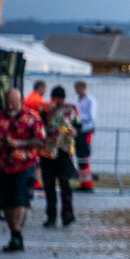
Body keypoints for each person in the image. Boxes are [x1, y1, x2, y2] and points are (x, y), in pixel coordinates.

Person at [0, 89, 45, 252]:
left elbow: (41, 142)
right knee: (7, 202)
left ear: (21, 101)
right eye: (8, 102)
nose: (10, 106)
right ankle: (15, 235)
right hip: (2, 165)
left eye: (14, 103)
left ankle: (16, 235)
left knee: (19, 199)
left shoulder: (32, 118)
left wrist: (19, 144)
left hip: (24, 164)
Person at [40, 86, 81, 227]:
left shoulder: (71, 109)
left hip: (64, 150)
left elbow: (78, 125)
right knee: (49, 185)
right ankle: (51, 216)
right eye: (56, 99)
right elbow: (39, 123)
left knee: (65, 183)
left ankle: (67, 214)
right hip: (48, 151)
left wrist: (75, 131)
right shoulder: (45, 109)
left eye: (60, 99)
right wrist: (48, 111)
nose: (58, 101)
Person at [74, 80, 97, 191]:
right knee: (80, 156)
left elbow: (91, 116)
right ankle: (83, 182)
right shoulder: (80, 100)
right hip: (79, 130)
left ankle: (88, 183)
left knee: (84, 156)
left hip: (86, 130)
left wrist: (79, 118)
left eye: (77, 89)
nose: (76, 92)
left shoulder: (90, 100)